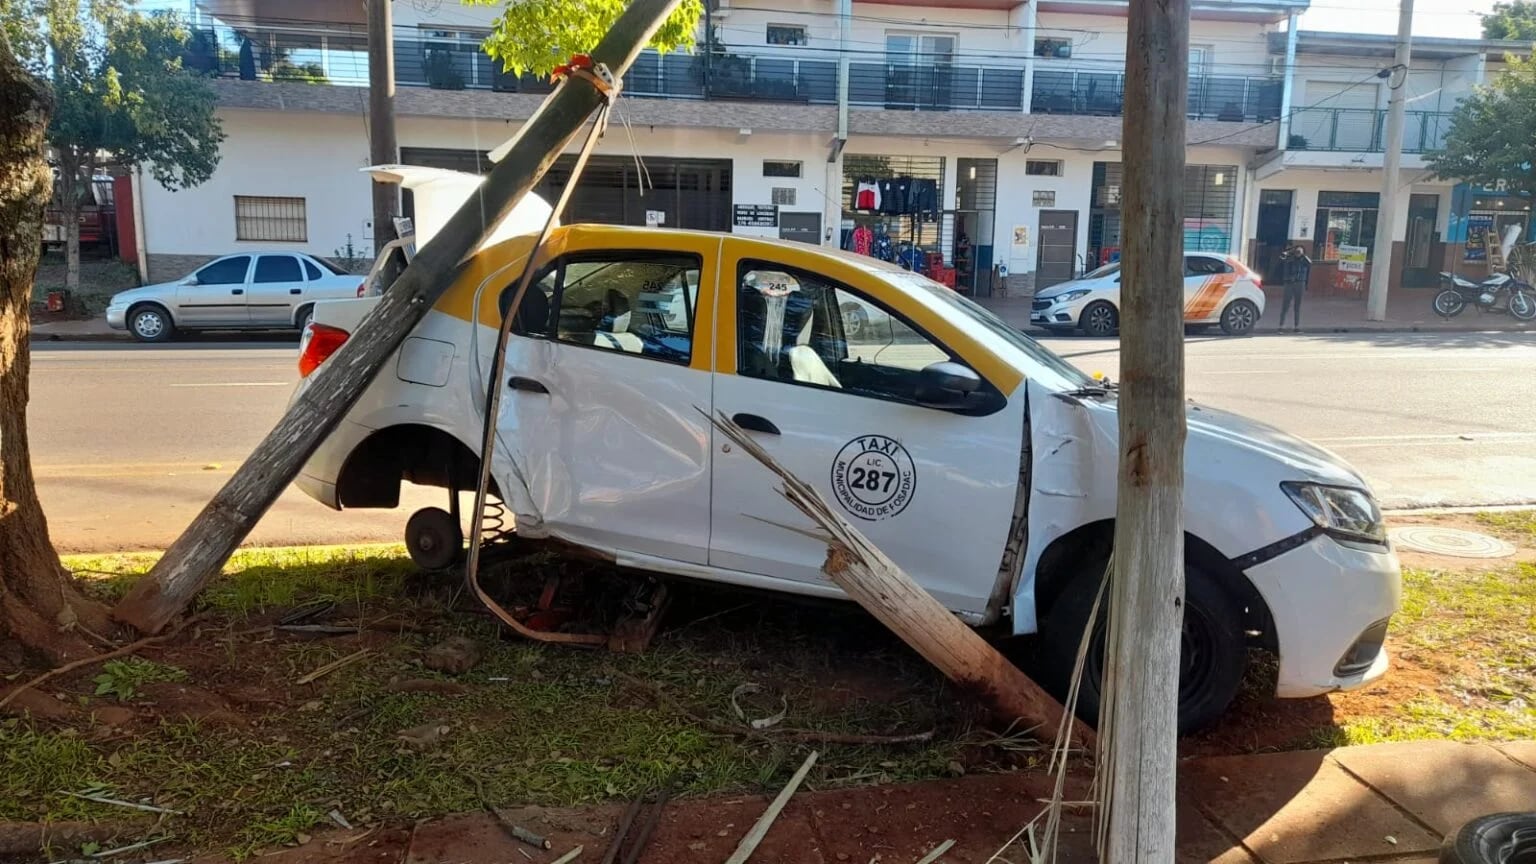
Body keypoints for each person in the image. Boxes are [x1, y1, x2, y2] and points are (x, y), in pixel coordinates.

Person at [1279, 245, 1311, 332]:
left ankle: (1296, 327)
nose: (1298, 253)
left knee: (1297, 306)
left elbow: (1309, 264)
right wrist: (1289, 252)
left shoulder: (1303, 260)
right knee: (1285, 305)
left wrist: (1303, 255)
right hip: (1289, 283)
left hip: (1300, 283)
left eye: (1299, 252)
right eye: (1297, 252)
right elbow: (1282, 258)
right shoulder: (1290, 258)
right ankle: (1281, 326)